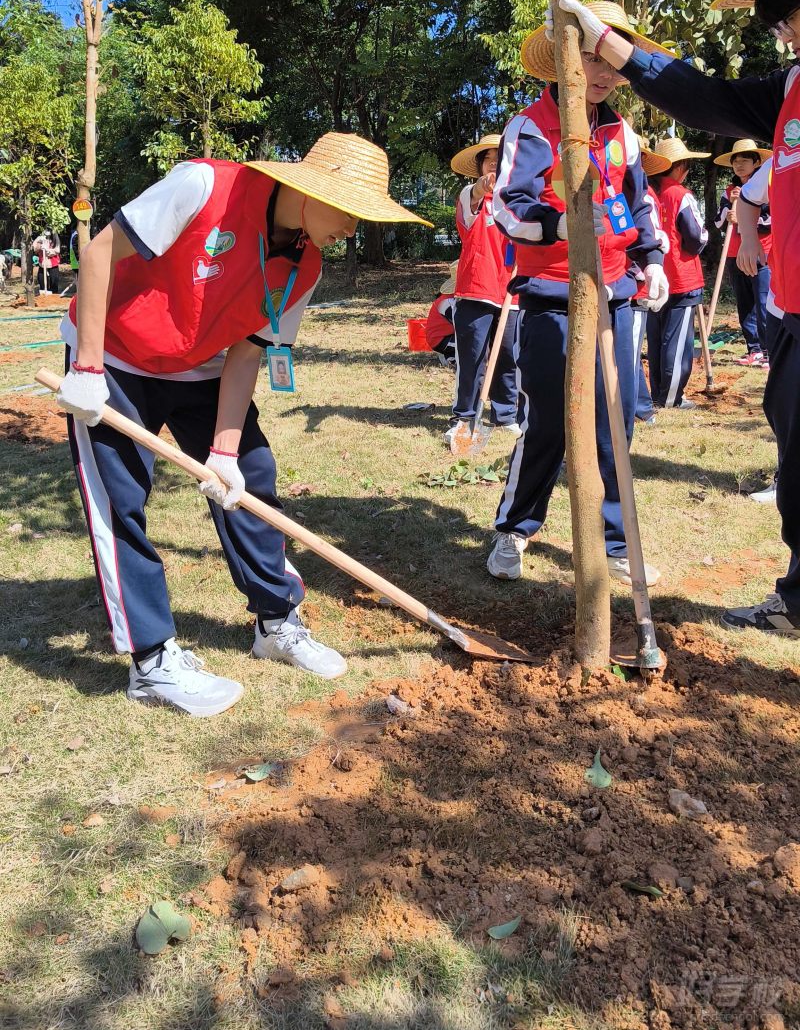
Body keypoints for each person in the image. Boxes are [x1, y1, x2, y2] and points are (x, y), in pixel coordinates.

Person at [54, 133, 429, 714]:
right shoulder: (204, 187)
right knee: (119, 499)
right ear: (311, 192)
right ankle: (151, 662)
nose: (355, 230)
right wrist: (87, 366)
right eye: (351, 213)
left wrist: (224, 453)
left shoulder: (305, 268)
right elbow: (98, 250)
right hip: (117, 358)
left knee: (251, 478)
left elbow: (248, 354)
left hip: (201, 367)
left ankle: (275, 623)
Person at [554, 0, 800, 634]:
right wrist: (605, 40)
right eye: (779, 22)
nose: (783, 36)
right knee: (795, 446)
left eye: (789, 17)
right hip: (793, 311)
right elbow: (702, 98)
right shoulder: (790, 87)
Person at [486, 1, 669, 587]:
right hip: (551, 295)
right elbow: (508, 206)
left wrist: (653, 258)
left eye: (610, 60)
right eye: (589, 56)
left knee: (615, 423)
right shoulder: (531, 126)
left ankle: (616, 542)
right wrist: (557, 225)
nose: (602, 72)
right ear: (562, 61)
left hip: (615, 294)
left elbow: (639, 204)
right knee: (548, 422)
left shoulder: (621, 133)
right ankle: (514, 528)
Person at [446, 135, 519, 446]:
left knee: (508, 356)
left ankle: (506, 415)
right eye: (490, 161)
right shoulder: (470, 198)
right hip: (475, 290)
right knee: (472, 356)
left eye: (500, 160)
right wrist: (481, 187)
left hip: (511, 292)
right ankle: (464, 415)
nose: (495, 166)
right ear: (480, 167)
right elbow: (473, 195)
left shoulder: (518, 202)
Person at [644, 137, 709, 410]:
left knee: (657, 337)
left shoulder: (648, 192)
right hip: (680, 277)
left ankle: (659, 391)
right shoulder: (681, 195)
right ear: (680, 166)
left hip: (652, 274)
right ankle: (670, 397)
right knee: (677, 341)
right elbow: (695, 236)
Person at [736, 154, 779, 504]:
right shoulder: (788, 150)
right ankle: (788, 476)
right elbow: (748, 199)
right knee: (783, 399)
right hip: (787, 299)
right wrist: (747, 237)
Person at [713, 139, 772, 365]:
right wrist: (730, 210)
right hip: (734, 254)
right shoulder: (730, 192)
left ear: (757, 162)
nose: (739, 165)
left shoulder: (765, 189)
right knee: (745, 304)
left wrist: (748, 221)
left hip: (762, 253)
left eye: (745, 160)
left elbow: (771, 220)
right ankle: (753, 348)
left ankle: (768, 351)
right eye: (735, 161)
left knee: (763, 301)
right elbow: (718, 223)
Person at [630, 141, 672, 423]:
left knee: (628, 354)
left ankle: (642, 410)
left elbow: (649, 238)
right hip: (622, 281)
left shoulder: (643, 196)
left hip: (635, 284)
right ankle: (642, 407)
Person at [424, 263, 457, 365]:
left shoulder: (450, 300)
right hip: (441, 340)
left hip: (449, 335)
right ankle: (450, 357)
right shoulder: (447, 302)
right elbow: (464, 323)